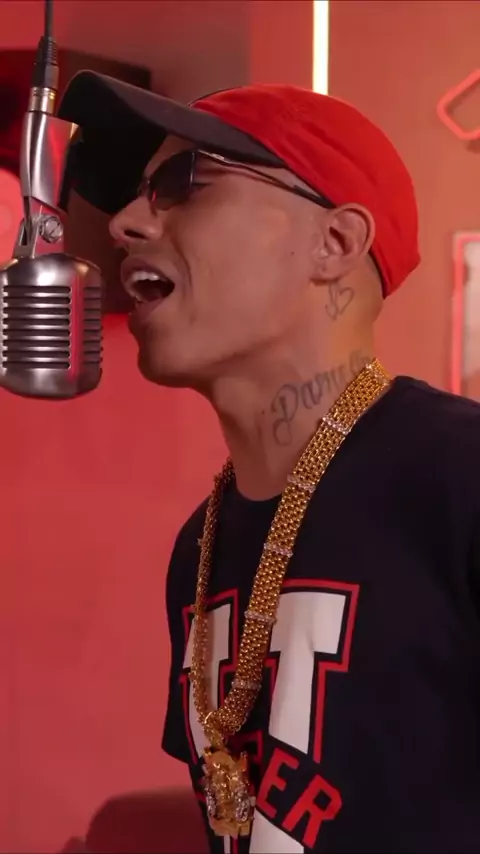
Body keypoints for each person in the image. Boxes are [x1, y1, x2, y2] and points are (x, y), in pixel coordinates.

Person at [59, 73, 480, 854]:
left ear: (336, 244)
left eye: (185, 183)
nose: (123, 223)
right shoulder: (200, 547)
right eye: (137, 195)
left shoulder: (460, 476)